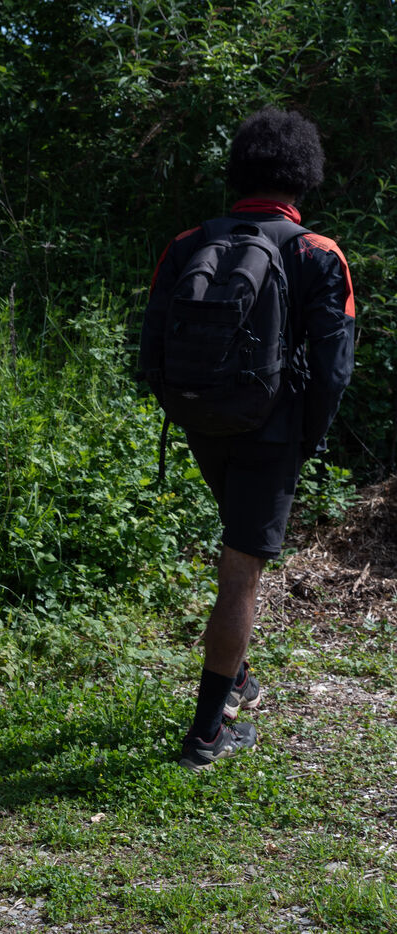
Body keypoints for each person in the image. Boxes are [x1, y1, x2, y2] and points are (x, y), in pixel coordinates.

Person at [140, 108, 355, 770]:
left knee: (237, 552)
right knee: (240, 573)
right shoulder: (318, 254)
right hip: (271, 432)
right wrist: (303, 440)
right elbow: (333, 372)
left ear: (239, 170)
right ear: (304, 175)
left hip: (202, 423)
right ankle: (207, 735)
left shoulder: (187, 243)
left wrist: (191, 412)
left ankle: (235, 676)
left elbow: (150, 349)